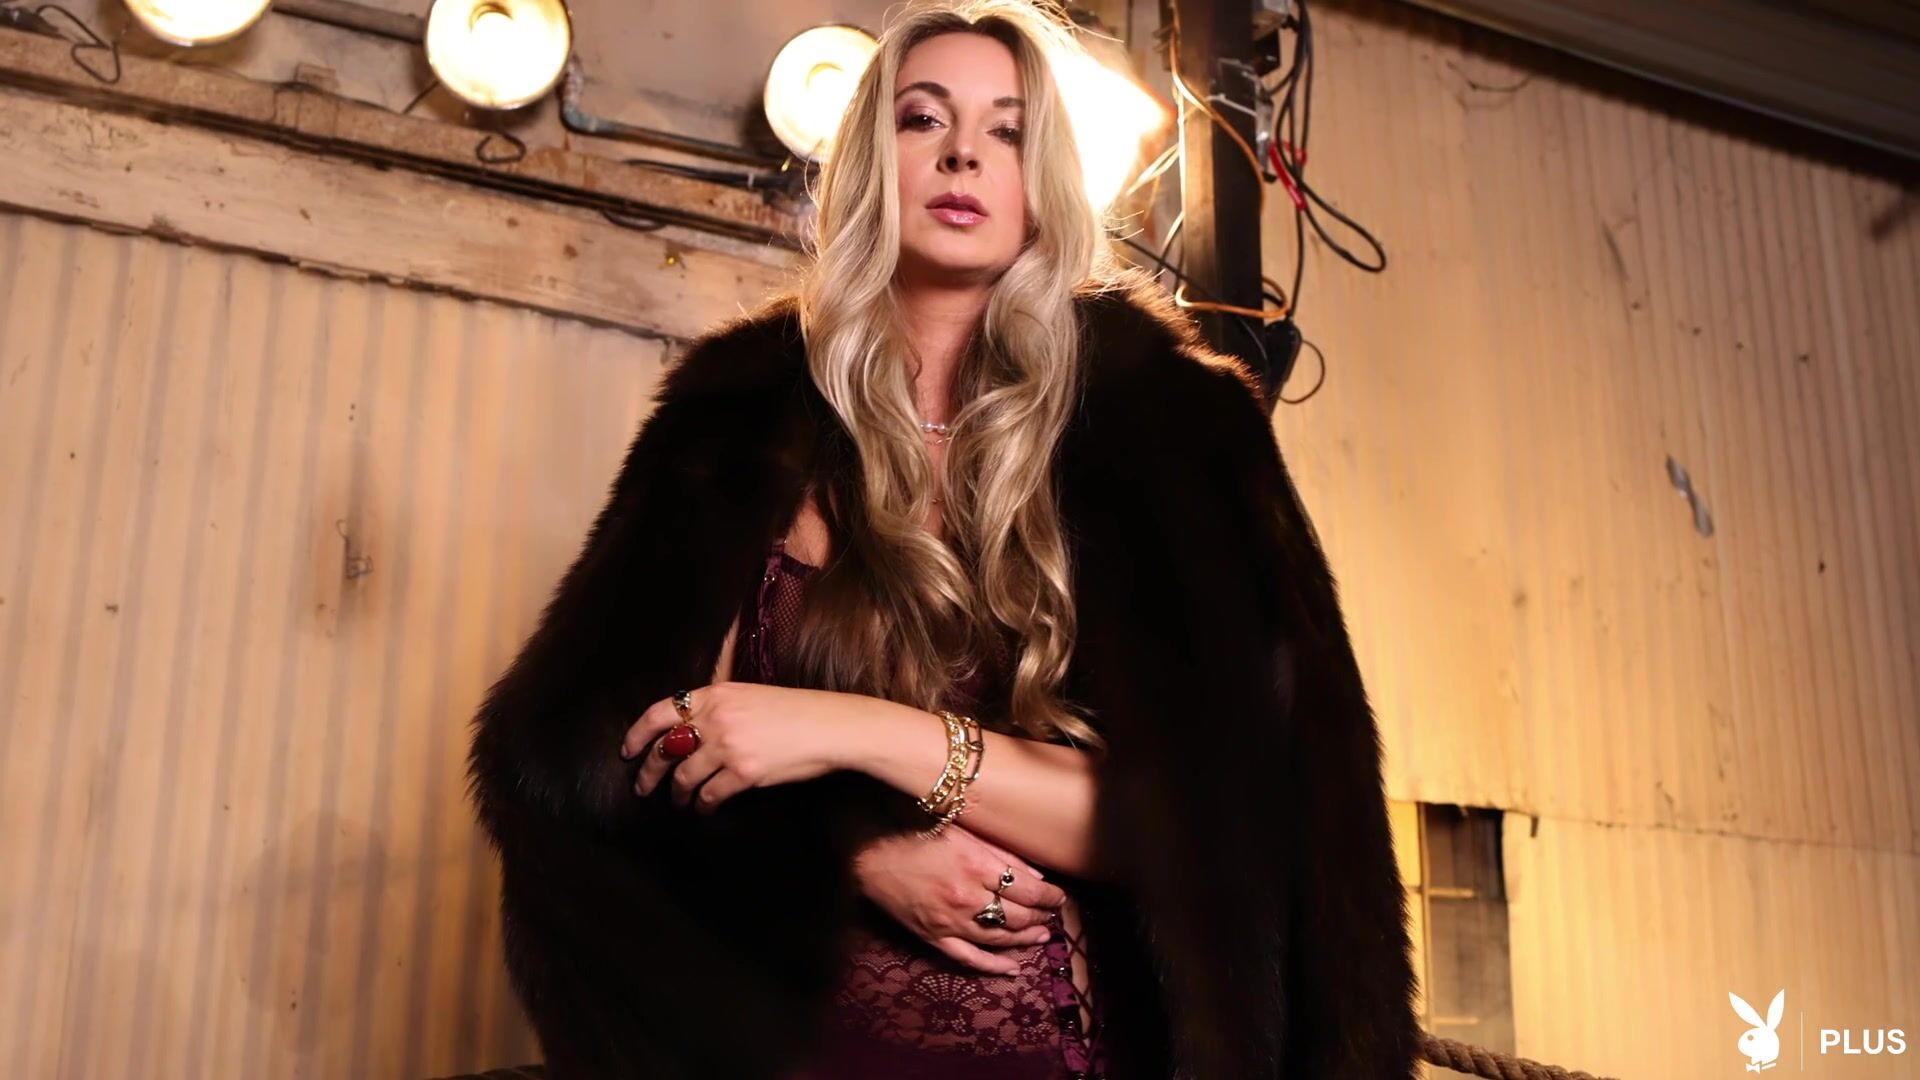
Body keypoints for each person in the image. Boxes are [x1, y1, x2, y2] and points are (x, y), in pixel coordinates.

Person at [466, 1, 1420, 1077]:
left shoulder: (1174, 434)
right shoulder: (735, 422)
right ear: (869, 162)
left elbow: (1211, 826)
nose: (964, 152)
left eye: (1007, 130)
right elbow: (602, 757)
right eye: (924, 119)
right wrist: (856, 851)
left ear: (1042, 179)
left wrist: (864, 736)